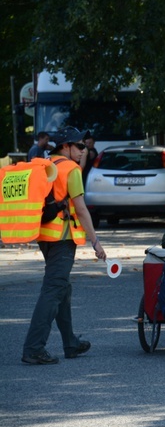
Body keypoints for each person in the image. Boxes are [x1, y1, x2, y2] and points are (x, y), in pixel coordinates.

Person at [21, 127, 107, 365]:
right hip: (62, 238)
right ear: (65, 147)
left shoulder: (44, 165)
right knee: (53, 291)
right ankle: (34, 348)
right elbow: (80, 208)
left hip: (45, 236)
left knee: (62, 290)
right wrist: (95, 241)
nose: (83, 150)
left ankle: (70, 343)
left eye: (84, 146)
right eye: (79, 146)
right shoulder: (71, 169)